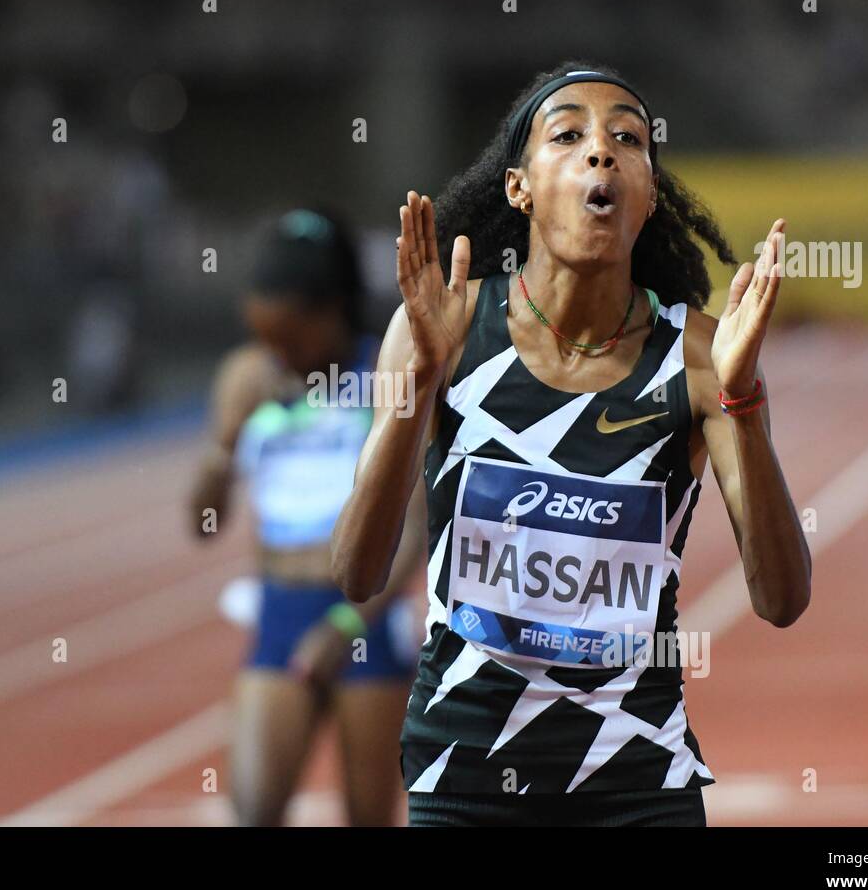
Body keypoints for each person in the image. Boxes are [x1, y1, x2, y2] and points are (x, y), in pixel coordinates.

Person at [330, 63, 813, 826]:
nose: (602, 152)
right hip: (465, 776)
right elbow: (358, 572)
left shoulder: (699, 360)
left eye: (629, 138)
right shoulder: (441, 332)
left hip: (637, 781)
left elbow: (782, 600)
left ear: (649, 193)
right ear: (519, 186)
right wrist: (418, 383)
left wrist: (743, 400)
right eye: (569, 135)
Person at [190, 207, 425, 826]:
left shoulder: (386, 375)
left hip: (363, 621)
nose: (278, 354)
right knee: (254, 809)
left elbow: (416, 528)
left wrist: (348, 622)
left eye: (290, 339)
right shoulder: (246, 375)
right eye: (265, 337)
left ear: (332, 313)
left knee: (369, 818)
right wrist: (222, 446)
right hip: (281, 611)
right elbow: (201, 523)